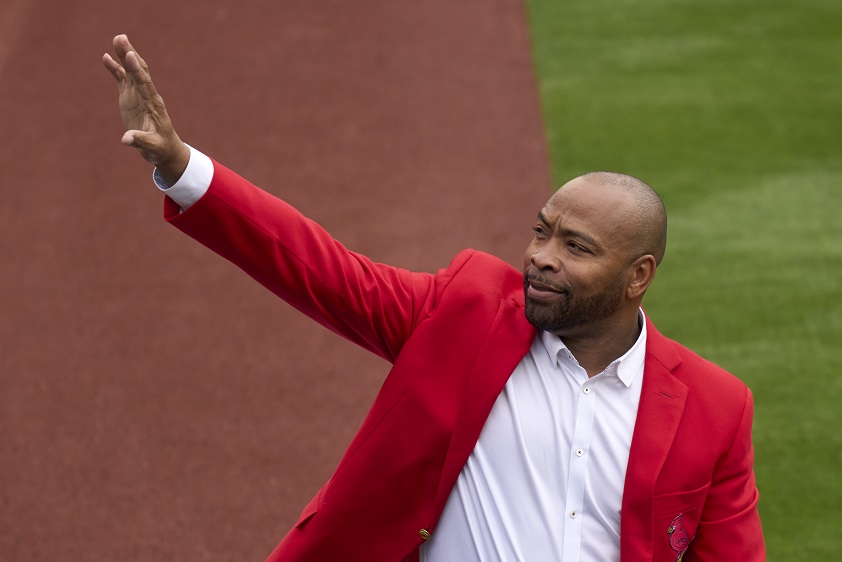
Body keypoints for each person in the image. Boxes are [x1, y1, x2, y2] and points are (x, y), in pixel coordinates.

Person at [103, 34, 765, 562]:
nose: (541, 256)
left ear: (639, 275)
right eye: (541, 232)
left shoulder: (715, 406)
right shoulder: (466, 310)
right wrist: (182, 168)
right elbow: (320, 269)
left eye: (576, 247)